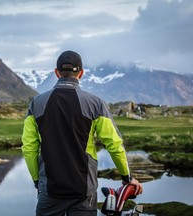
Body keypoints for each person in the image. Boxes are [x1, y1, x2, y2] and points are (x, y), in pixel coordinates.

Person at [22, 50, 143, 216]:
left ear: (56, 72)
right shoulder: (95, 103)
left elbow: (29, 148)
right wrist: (127, 178)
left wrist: (38, 181)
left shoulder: (36, 103)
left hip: (49, 190)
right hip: (84, 191)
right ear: (81, 73)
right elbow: (114, 145)